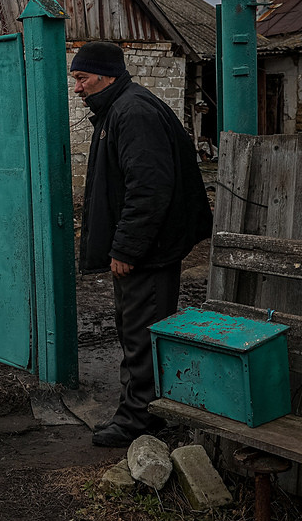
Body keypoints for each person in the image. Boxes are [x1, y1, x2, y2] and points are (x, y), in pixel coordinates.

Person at [71, 42, 212, 448]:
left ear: (106, 76)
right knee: (136, 331)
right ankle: (141, 410)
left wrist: (126, 248)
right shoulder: (120, 108)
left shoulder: (132, 113)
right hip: (147, 248)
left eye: (82, 78)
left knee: (142, 334)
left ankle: (140, 420)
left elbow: (149, 189)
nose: (77, 88)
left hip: (150, 251)